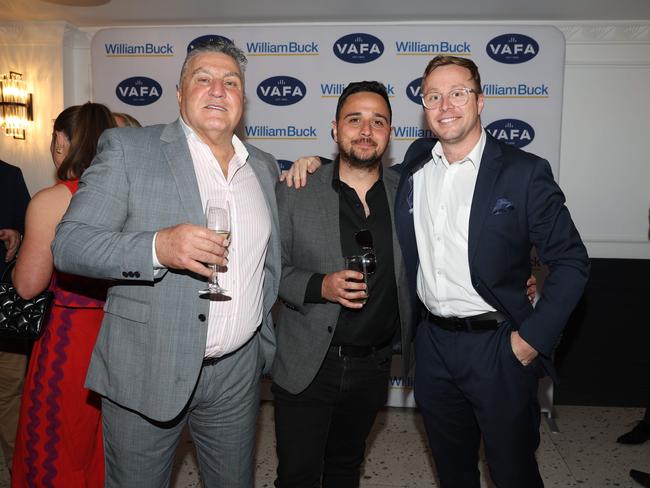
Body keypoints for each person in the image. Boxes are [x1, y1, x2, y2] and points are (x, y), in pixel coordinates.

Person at [52, 39, 280, 488]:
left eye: (230, 82)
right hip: (146, 367)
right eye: (204, 79)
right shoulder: (128, 149)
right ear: (179, 93)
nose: (218, 90)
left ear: (244, 98)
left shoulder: (265, 168)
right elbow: (70, 244)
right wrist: (157, 247)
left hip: (237, 371)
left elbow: (269, 264)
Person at [391, 56, 589, 487]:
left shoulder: (523, 172)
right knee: (452, 470)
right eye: (433, 96)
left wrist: (530, 341)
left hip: (500, 347)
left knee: (512, 471)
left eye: (458, 93)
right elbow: (361, 174)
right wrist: (313, 164)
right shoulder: (414, 165)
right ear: (423, 107)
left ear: (481, 100)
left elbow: (573, 262)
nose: (446, 105)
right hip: (434, 347)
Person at [273, 81, 413, 487]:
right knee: (297, 475)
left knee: (345, 467)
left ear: (389, 134)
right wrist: (321, 286)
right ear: (335, 129)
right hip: (308, 362)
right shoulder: (296, 190)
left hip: (374, 365)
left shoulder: (408, 193)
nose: (366, 129)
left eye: (378, 121)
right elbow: (270, 270)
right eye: (355, 119)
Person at [11, 103, 113, 487]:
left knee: (56, 445)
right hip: (119, 332)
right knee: (108, 444)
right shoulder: (128, 195)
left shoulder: (53, 200)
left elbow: (28, 285)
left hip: (68, 339)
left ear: (60, 141)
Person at [0, 160, 30, 470]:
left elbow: (29, 231)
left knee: (10, 394)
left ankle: (18, 467)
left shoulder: (10, 174)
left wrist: (17, 236)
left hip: (4, 313)